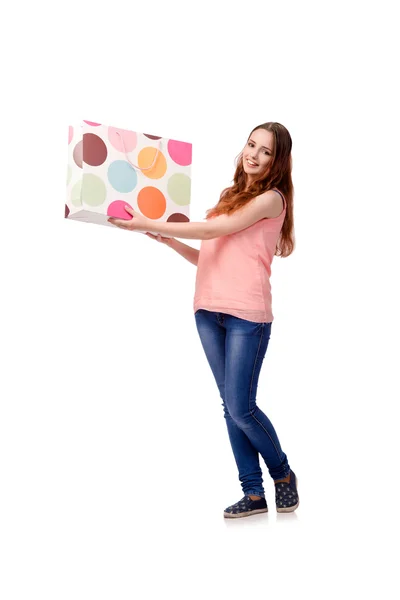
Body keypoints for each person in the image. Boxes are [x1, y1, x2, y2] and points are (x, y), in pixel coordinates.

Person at [108, 122, 299, 518]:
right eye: (251, 145)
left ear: (277, 159)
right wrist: (170, 240)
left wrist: (148, 222)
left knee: (241, 407)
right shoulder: (231, 195)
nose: (254, 155)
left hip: (248, 314)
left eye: (265, 151)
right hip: (208, 310)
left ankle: (282, 475)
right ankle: (253, 494)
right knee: (230, 408)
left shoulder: (272, 200)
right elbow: (209, 255)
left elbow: (215, 228)